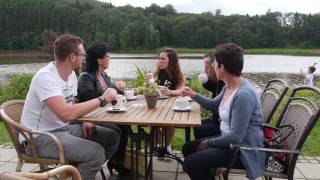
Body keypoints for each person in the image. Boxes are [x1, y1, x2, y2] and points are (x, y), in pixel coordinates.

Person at [19, 34, 120, 180]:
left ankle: (77, 173)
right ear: (73, 57)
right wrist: (102, 99)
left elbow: (72, 106)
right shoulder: (45, 77)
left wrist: (84, 120)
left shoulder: (71, 74)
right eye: (82, 54)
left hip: (64, 129)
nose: (84, 57)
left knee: (112, 136)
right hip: (38, 138)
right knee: (95, 153)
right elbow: (65, 114)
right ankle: (79, 172)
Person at [181, 43, 265, 180]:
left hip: (242, 150)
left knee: (191, 163)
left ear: (222, 67)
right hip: (229, 142)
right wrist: (194, 95)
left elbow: (236, 137)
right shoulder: (230, 85)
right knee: (187, 149)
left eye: (214, 64)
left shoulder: (243, 94)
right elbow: (213, 105)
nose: (212, 68)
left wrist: (209, 143)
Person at [77, 43, 131, 176]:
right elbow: (89, 97)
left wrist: (130, 92)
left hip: (105, 115)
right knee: (120, 128)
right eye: (107, 56)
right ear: (99, 60)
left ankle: (117, 161)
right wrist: (110, 89)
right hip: (91, 117)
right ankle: (114, 161)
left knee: (126, 127)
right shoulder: (85, 78)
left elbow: (115, 93)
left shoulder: (104, 76)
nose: (109, 59)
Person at [154, 47, 185, 154]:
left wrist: (171, 92)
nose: (160, 61)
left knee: (170, 122)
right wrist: (149, 85)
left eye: (163, 59)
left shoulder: (177, 74)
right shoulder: (158, 72)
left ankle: (167, 146)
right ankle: (159, 145)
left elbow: (182, 90)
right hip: (157, 104)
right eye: (159, 58)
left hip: (172, 105)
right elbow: (152, 87)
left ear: (171, 61)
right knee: (152, 122)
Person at [194, 53, 225, 139]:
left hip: (223, 125)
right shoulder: (220, 82)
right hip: (218, 120)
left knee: (198, 128)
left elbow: (214, 105)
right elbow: (213, 87)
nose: (205, 70)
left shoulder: (226, 84)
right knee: (196, 124)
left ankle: (202, 147)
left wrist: (192, 94)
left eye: (207, 67)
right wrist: (205, 82)